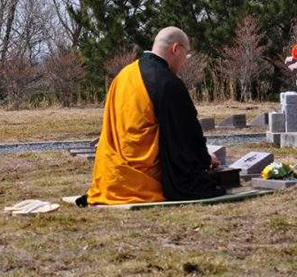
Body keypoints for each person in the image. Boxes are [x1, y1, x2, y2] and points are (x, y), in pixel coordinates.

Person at [81, 27, 224, 205]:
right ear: (176, 49)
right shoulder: (167, 82)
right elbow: (186, 134)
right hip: (143, 181)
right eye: (186, 55)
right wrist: (205, 158)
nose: (184, 62)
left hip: (110, 176)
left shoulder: (123, 75)